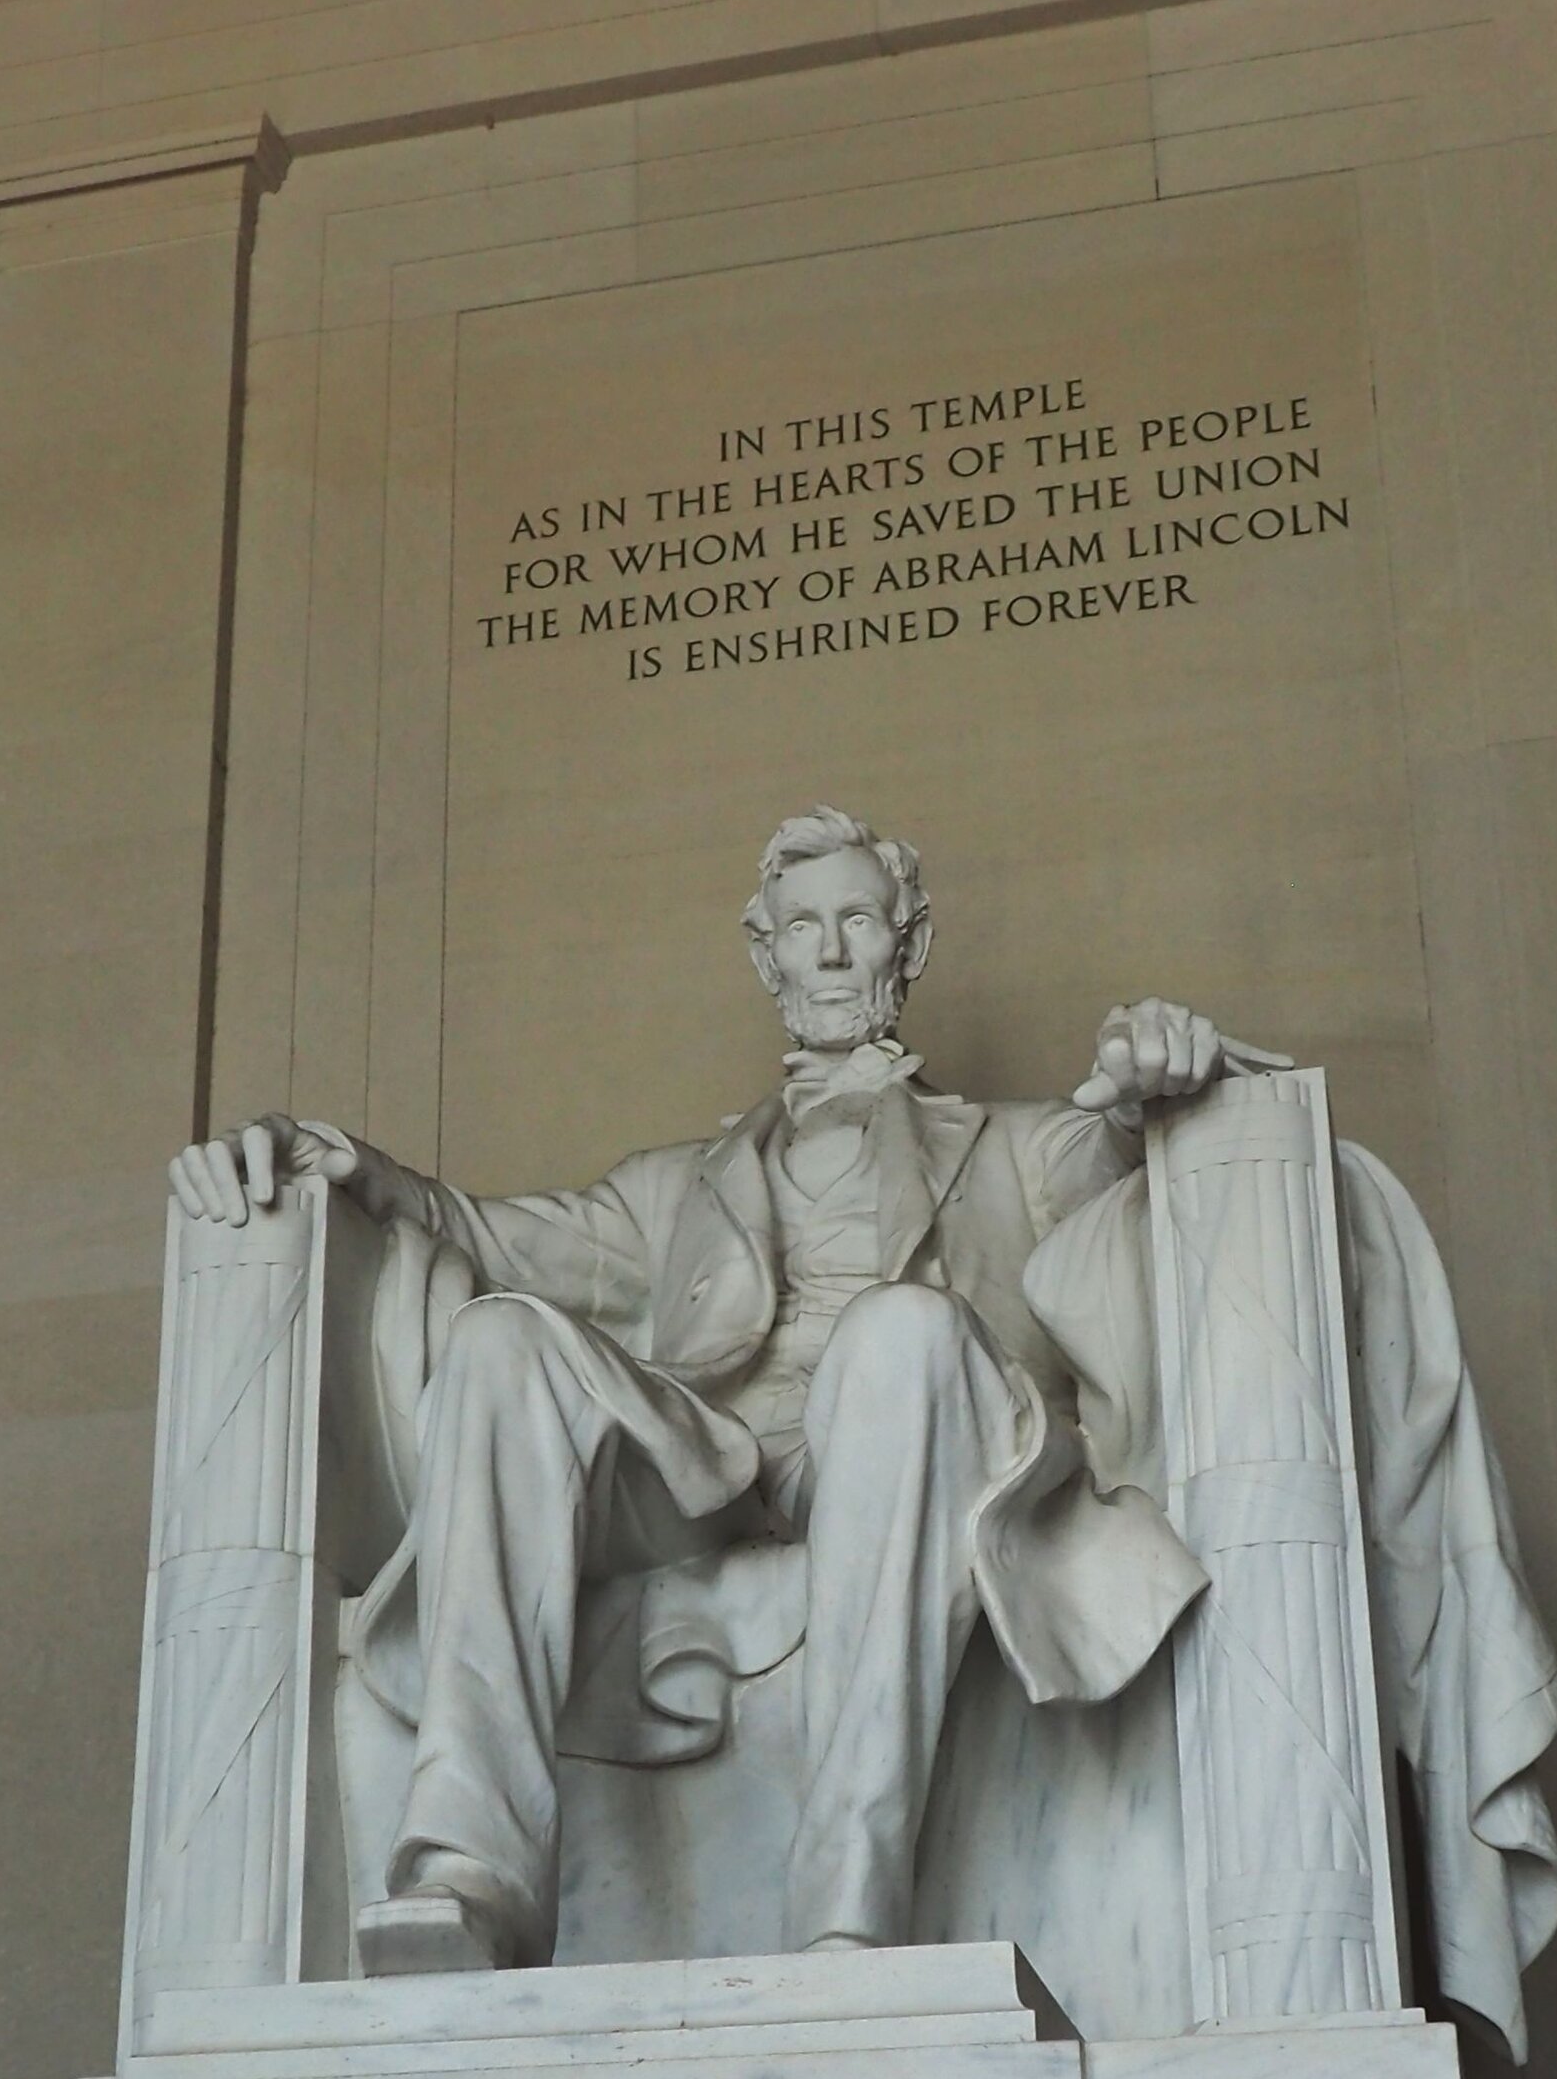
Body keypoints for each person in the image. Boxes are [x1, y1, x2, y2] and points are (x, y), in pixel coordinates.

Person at [172, 806, 1255, 1969]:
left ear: (912, 944)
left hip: (913, 1441)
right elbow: (487, 1234)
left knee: (900, 1333)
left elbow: (1121, 1159)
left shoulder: (1018, 1142)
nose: (831, 951)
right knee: (495, 1342)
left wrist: (1158, 1076)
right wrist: (339, 1164)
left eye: (856, 920)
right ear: (765, 955)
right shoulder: (674, 1188)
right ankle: (469, 1870)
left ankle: (847, 1906)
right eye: (802, 927)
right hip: (714, 1464)